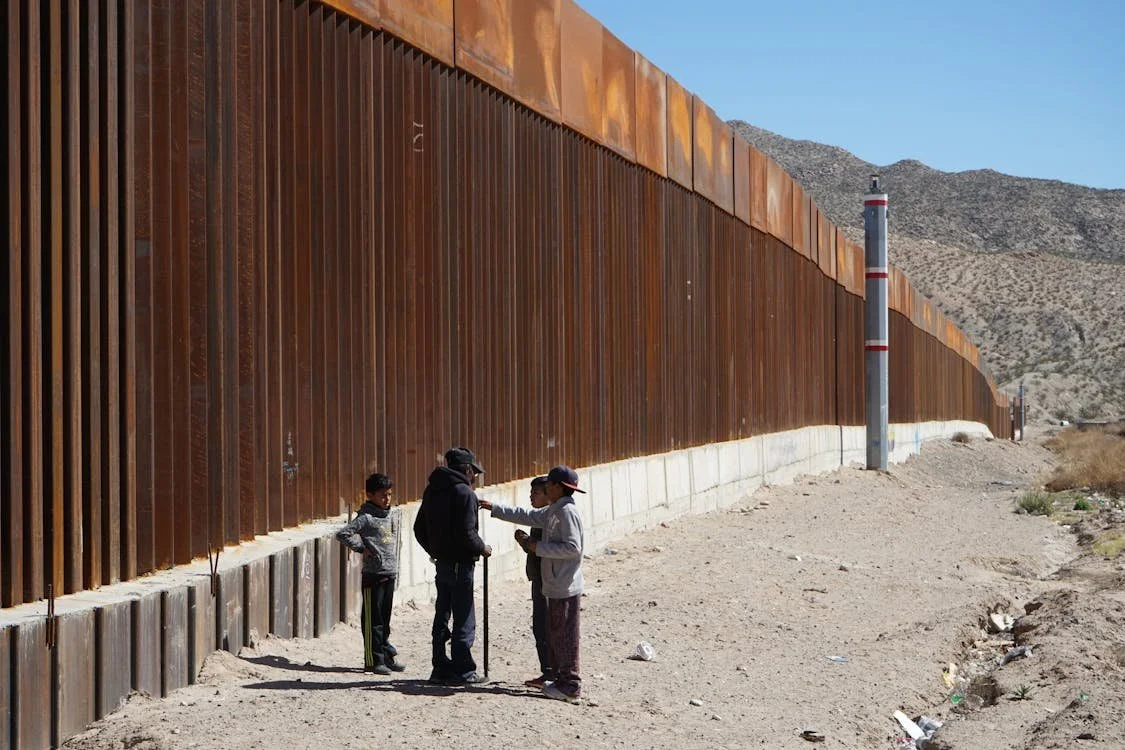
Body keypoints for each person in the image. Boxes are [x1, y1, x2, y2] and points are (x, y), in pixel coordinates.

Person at [479, 465, 586, 703]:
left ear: (558, 487)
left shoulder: (566, 512)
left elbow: (573, 548)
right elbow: (526, 515)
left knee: (565, 636)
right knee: (556, 634)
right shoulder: (555, 510)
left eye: (549, 485)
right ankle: (560, 681)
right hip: (555, 583)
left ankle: (570, 686)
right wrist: (495, 508)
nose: (546, 488)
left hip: (564, 584)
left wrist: (536, 547)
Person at [413, 447, 492, 685]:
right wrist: (483, 548)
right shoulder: (465, 494)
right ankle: (463, 670)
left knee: (442, 613)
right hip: (461, 562)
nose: (475, 478)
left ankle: (440, 667)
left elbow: (419, 528)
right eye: (474, 473)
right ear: (467, 469)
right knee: (464, 615)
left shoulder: (432, 490)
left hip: (443, 563)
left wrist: (435, 552)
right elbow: (467, 533)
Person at [335, 473, 405, 675]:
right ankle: (372, 660)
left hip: (389, 572)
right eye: (382, 495)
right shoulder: (365, 517)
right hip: (373, 575)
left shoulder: (390, 515)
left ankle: (385, 655)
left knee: (384, 619)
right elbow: (343, 534)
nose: (387, 499)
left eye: (389, 494)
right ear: (370, 495)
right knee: (372, 620)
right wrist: (361, 548)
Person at [521, 476, 553, 688]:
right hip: (539, 578)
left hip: (547, 580)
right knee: (539, 626)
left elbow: (541, 549)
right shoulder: (540, 517)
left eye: (536, 494)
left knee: (545, 626)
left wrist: (525, 541)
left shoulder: (548, 518)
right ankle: (548, 671)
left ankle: (551, 672)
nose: (531, 497)